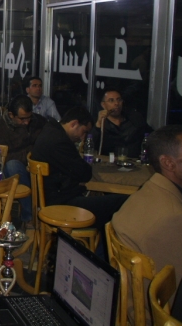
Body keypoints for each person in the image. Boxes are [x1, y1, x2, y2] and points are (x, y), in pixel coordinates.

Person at [111, 125, 182, 321]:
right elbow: (180, 298)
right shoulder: (176, 218)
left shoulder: (150, 189)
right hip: (150, 316)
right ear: (168, 163)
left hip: (125, 307)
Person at [31, 106, 127, 253]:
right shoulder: (59, 141)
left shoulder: (51, 131)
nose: (83, 137)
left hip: (53, 196)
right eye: (84, 131)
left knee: (108, 201)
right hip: (60, 204)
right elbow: (84, 173)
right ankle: (102, 257)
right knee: (122, 202)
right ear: (74, 124)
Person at [0, 95, 47, 226]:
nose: (26, 122)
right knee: (12, 166)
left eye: (29, 117)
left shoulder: (39, 121)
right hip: (12, 171)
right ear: (11, 115)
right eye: (22, 119)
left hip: (38, 165)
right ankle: (30, 216)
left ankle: (48, 212)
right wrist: (27, 156)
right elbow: (1, 157)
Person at [92, 88, 153, 158]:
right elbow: (91, 144)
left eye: (119, 100)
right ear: (103, 105)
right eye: (111, 100)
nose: (116, 103)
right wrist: (98, 124)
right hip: (108, 161)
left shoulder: (134, 118)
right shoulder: (101, 123)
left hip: (134, 161)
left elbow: (151, 135)